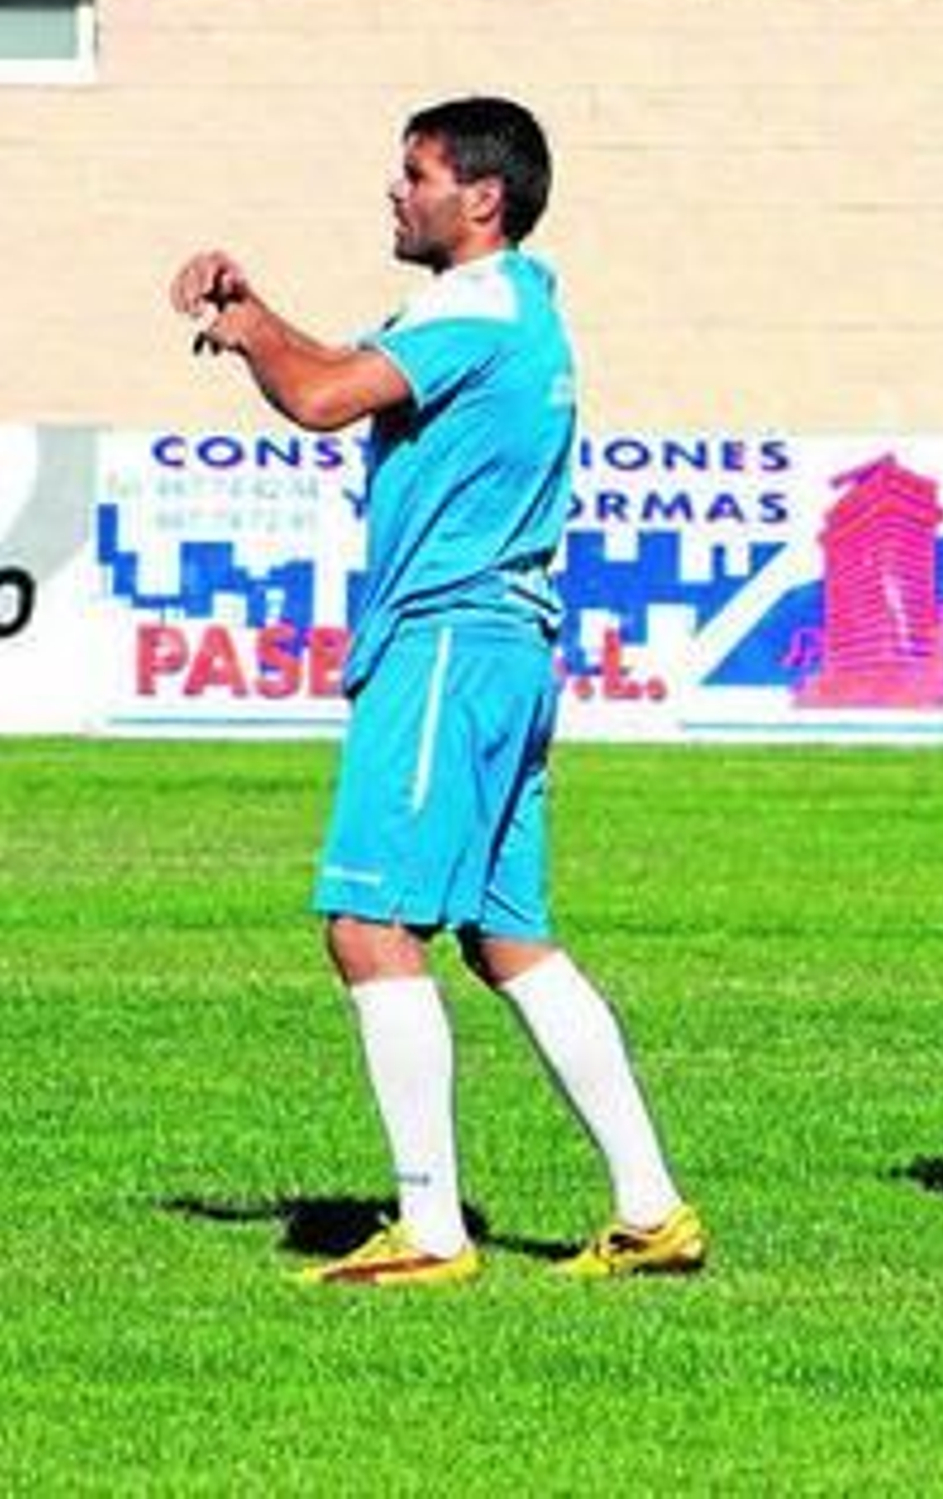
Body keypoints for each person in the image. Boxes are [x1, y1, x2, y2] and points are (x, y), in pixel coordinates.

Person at [170, 96, 706, 1284]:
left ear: (482, 197)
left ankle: (431, 1227)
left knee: (367, 922)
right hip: (504, 644)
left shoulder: (474, 307)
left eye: (414, 173)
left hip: (450, 643)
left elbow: (317, 397)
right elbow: (329, 373)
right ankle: (651, 1208)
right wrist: (255, 319)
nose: (394, 191)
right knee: (510, 936)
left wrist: (254, 331)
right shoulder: (514, 304)